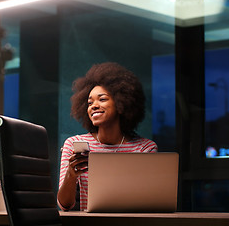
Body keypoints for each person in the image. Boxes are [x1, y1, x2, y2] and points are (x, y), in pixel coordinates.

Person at [57, 62, 158, 211]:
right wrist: (71, 175)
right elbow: (64, 206)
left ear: (121, 103)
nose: (94, 106)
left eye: (102, 99)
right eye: (90, 102)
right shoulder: (74, 143)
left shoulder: (145, 148)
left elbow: (150, 200)